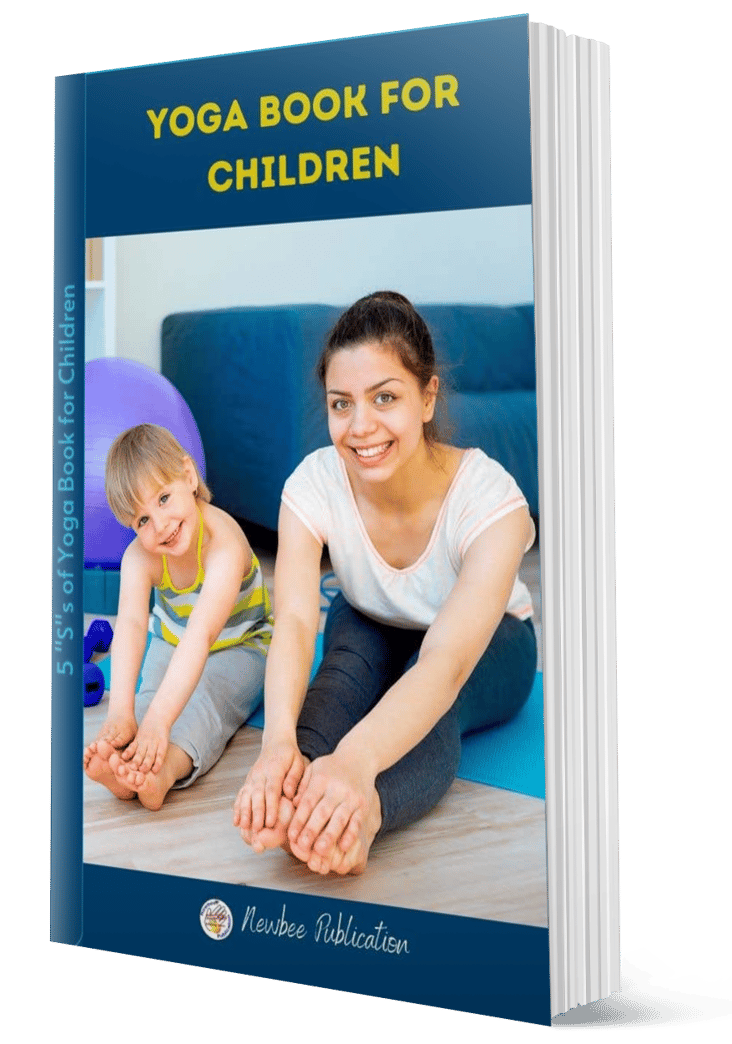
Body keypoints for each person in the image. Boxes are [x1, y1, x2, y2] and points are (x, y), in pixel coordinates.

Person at [233, 291, 537, 874]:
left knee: (429, 707)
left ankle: (362, 817)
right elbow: (296, 624)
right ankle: (301, 803)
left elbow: (443, 665)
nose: (360, 427)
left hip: (490, 645)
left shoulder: (490, 499)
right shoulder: (313, 484)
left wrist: (356, 767)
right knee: (336, 685)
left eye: (385, 398)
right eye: (341, 403)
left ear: (427, 397)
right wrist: (276, 751)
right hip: (370, 619)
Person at [83, 423, 272, 811]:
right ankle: (125, 766)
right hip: (173, 639)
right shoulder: (139, 556)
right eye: (142, 520)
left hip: (242, 645)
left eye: (164, 498)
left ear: (188, 476)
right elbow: (133, 627)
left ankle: (164, 771)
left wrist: (160, 723)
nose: (161, 526)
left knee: (206, 701)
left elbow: (201, 635)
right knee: (150, 696)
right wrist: (122, 711)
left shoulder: (224, 544)